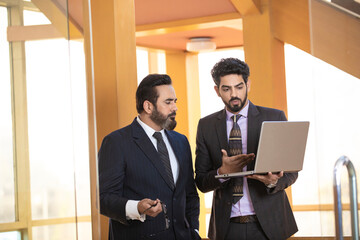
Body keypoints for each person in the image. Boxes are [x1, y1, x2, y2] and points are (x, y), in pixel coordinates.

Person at [195, 58, 298, 240]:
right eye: (226, 89)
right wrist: (222, 172)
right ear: (217, 90)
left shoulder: (274, 117)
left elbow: (291, 171)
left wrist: (272, 182)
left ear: (248, 85)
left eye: (239, 87)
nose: (234, 94)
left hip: (270, 225)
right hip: (227, 227)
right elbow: (201, 182)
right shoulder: (206, 126)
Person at [98, 74, 200, 240]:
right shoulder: (116, 142)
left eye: (175, 101)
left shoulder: (181, 141)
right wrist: (136, 208)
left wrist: (193, 231)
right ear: (148, 106)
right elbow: (104, 199)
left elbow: (190, 195)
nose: (175, 108)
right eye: (168, 102)